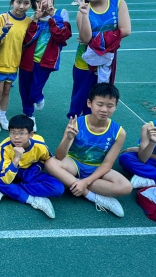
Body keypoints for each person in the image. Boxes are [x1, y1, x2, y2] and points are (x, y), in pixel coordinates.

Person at [45, 83, 131, 218]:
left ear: (115, 106)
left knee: (126, 187)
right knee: (50, 163)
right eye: (100, 104)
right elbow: (59, 156)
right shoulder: (76, 123)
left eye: (110, 106)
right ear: (89, 103)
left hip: (97, 168)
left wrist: (85, 181)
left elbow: (107, 164)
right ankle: (91, 196)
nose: (104, 109)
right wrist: (68, 138)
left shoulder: (119, 132)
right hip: (74, 163)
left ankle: (71, 182)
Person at [67, 0, 131, 118]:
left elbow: (126, 30)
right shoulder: (82, 11)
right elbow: (86, 38)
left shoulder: (118, 3)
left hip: (107, 59)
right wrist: (85, 15)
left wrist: (95, 39)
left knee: (100, 94)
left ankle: (93, 122)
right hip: (85, 61)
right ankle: (74, 122)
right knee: (80, 95)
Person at [0, 115, 63, 219]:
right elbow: (6, 179)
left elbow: (47, 159)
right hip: (11, 169)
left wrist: (36, 168)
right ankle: (33, 200)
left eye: (21, 133)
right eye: (13, 133)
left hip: (30, 170)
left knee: (58, 188)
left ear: (31, 134)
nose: (16, 137)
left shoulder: (39, 144)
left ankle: (6, 190)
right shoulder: (4, 146)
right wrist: (16, 158)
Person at [18, 0, 71, 130]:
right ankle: (29, 115)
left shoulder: (61, 13)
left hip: (46, 61)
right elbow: (27, 40)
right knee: (24, 90)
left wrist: (52, 16)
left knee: (34, 93)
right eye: (37, 0)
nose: (42, 2)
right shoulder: (33, 17)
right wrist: (36, 19)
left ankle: (38, 97)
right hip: (27, 60)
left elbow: (62, 36)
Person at [0, 0, 33, 133]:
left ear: (30, 5)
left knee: (7, 91)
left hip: (14, 63)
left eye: (26, 3)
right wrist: (5, 31)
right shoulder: (2, 18)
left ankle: (3, 115)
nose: (21, 6)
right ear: (12, 1)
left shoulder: (28, 21)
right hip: (0, 62)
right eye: (18, 2)